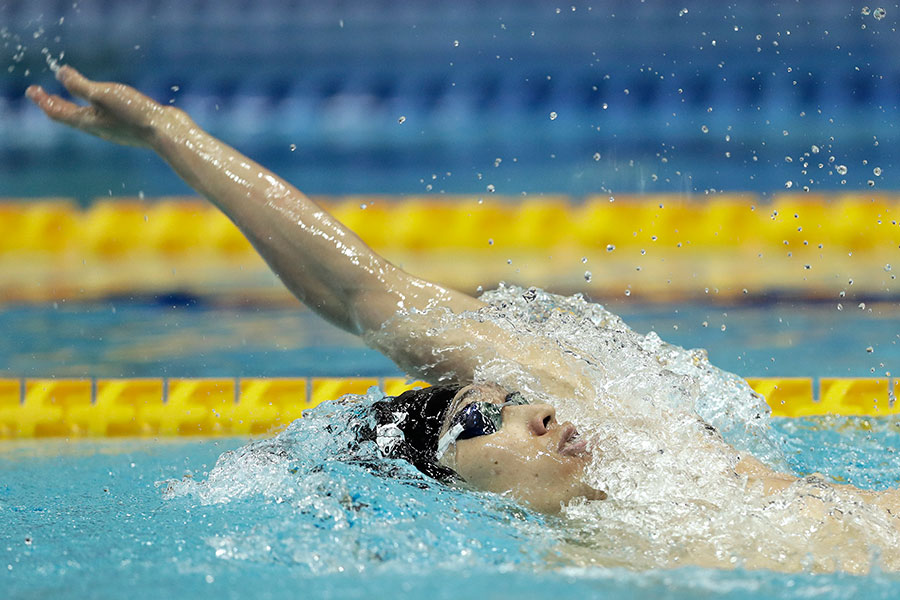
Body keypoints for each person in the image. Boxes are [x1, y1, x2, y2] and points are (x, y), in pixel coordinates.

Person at [25, 68, 900, 526]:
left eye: (517, 401)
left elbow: (360, 289)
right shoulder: (579, 563)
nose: (538, 413)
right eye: (485, 425)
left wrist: (168, 133)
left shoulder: (628, 428)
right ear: (453, 492)